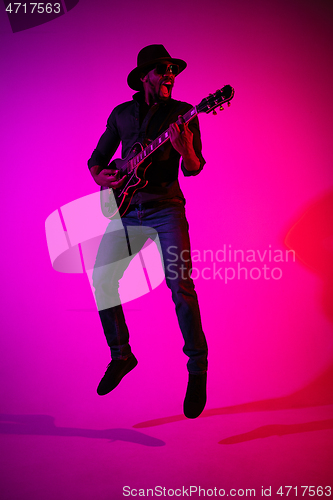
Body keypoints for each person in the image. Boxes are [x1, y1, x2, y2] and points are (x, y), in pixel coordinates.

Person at [88, 44, 208, 419]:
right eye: (161, 69)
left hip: (166, 210)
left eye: (172, 68)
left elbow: (193, 167)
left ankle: (198, 368)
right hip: (126, 212)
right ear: (144, 76)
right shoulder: (121, 114)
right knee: (102, 281)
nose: (169, 73)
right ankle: (122, 355)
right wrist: (100, 175)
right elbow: (96, 160)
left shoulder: (185, 114)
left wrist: (184, 148)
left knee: (181, 288)